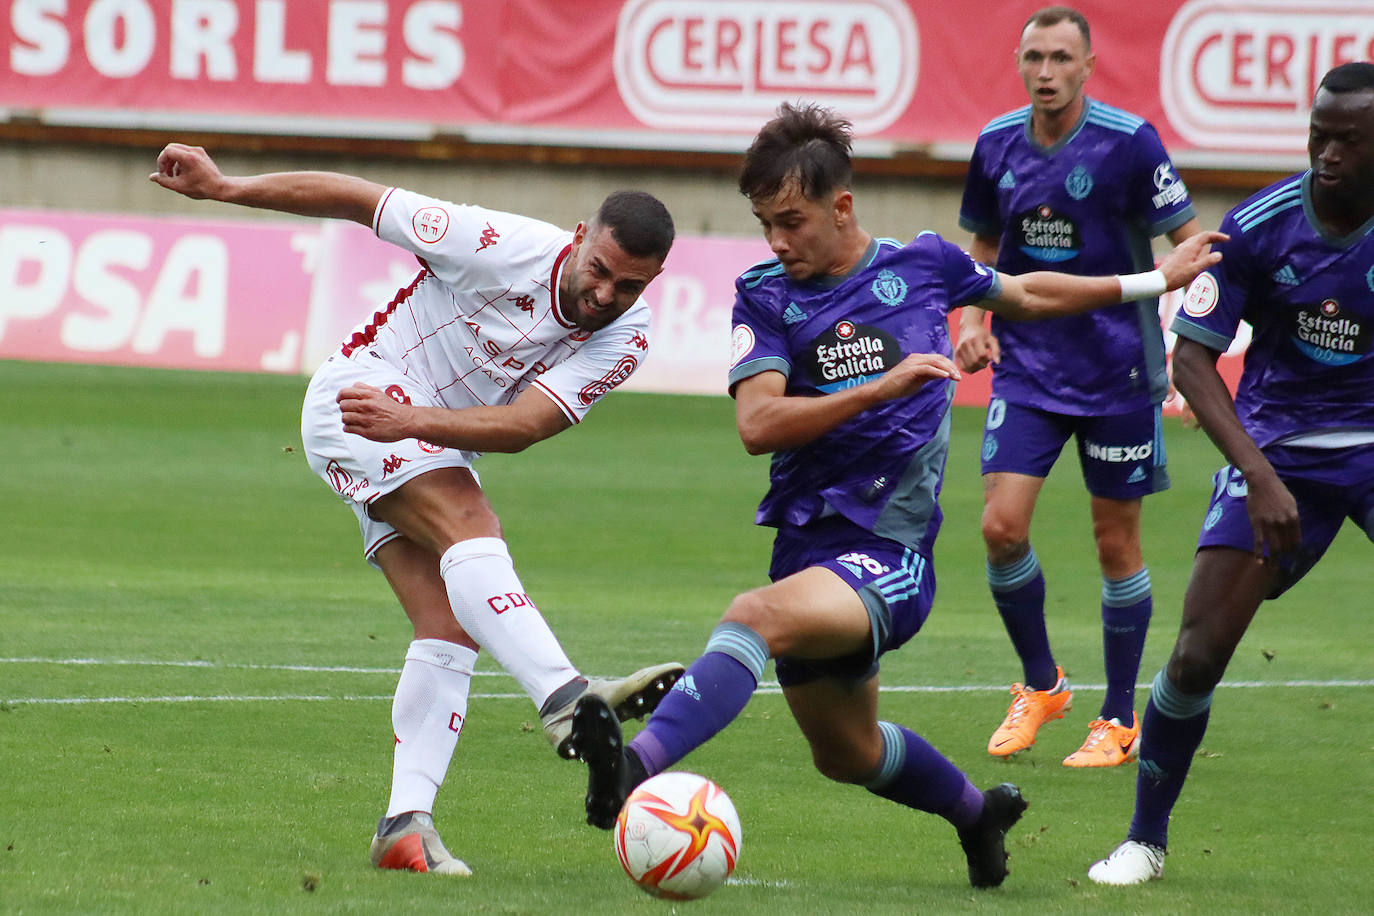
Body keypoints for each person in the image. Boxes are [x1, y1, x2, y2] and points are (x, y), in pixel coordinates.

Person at [568, 103, 1224, 889]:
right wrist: (880, 389)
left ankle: (632, 768)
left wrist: (1156, 278)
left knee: (753, 617)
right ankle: (979, 817)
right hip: (807, 553)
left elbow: (1030, 293)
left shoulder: (924, 265)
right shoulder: (766, 295)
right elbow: (759, 423)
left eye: (791, 221)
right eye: (763, 223)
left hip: (890, 556)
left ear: (841, 206)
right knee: (848, 754)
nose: (776, 241)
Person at [149, 144, 685, 876]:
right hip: (360, 397)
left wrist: (419, 424)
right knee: (472, 526)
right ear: (578, 236)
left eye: (629, 286)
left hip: (421, 435)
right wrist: (226, 187)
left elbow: (527, 426)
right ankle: (565, 696)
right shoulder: (494, 244)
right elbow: (354, 197)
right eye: (599, 272)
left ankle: (405, 825)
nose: (605, 296)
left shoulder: (628, 334)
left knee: (449, 624)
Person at [1089, 61, 1374, 885]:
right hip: (1281, 452)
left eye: (1349, 143)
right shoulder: (1259, 225)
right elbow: (1192, 362)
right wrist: (1258, 475)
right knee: (1196, 654)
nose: (1326, 154)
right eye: (1319, 135)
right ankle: (1144, 840)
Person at [956, 6, 1204, 767]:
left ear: (1089, 66)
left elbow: (1189, 245)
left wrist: (1191, 356)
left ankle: (1120, 718)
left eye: (1062, 58)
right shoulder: (996, 144)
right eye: (1033, 57)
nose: (1045, 72)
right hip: (1028, 368)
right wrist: (970, 317)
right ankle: (1042, 685)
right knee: (1000, 528)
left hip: (1120, 371)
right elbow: (984, 248)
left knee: (1114, 542)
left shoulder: (1130, 145)